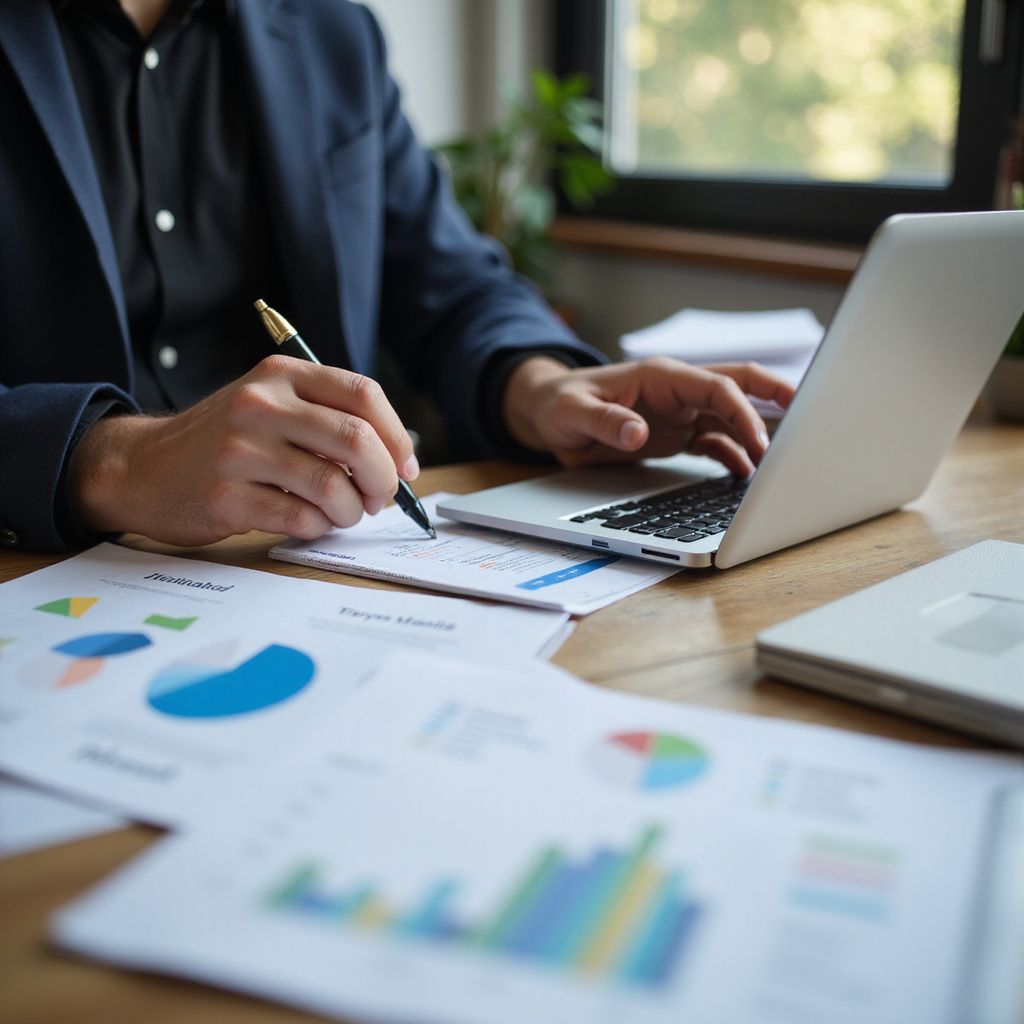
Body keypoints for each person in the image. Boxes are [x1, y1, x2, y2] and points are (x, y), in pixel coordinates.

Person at [0, 0, 793, 554]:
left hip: (312, 563)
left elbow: (452, 283)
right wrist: (112, 462)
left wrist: (541, 387)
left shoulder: (331, 35)